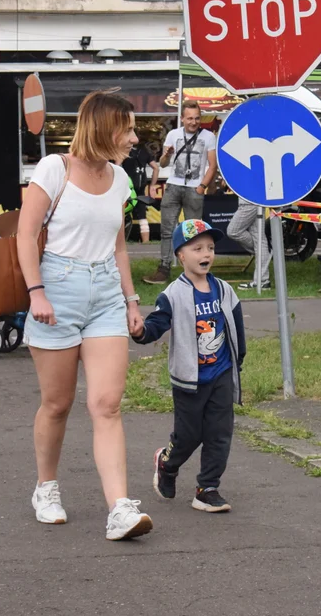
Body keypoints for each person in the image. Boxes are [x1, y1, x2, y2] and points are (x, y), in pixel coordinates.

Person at [18, 90, 152, 542]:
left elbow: (118, 247)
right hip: (56, 290)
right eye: (128, 129)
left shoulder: (118, 179)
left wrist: (132, 301)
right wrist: (36, 292)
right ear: (102, 128)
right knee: (58, 404)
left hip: (106, 299)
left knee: (107, 404)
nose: (135, 138)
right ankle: (46, 488)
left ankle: (119, 509)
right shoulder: (54, 169)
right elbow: (25, 234)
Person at [132, 219, 246, 513]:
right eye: (197, 248)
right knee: (188, 436)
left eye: (209, 247)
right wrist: (142, 332)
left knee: (220, 434)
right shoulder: (172, 294)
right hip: (189, 380)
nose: (205, 253)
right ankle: (167, 464)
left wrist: (238, 360)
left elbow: (236, 326)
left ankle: (207, 488)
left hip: (220, 373)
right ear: (181, 255)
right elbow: (158, 323)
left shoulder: (224, 290)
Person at [143, 101, 217, 285]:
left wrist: (202, 186)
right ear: (182, 119)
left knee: (193, 233)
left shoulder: (208, 136)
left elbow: (212, 165)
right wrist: (166, 154)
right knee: (167, 230)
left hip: (194, 188)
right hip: (173, 185)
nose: (193, 122)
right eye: (190, 118)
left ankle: (194, 270)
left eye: (197, 118)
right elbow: (164, 163)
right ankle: (164, 268)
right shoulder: (173, 134)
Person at [226, 198, 273, 290]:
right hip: (253, 200)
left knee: (233, 231)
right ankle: (262, 281)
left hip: (249, 201)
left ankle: (264, 253)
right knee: (258, 237)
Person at [120, 143, 159, 243]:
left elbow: (116, 166)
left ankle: (121, 242)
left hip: (127, 188)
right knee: (142, 217)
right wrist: (153, 185)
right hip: (140, 188)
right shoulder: (144, 152)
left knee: (122, 214)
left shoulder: (124, 151)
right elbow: (156, 167)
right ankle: (146, 242)